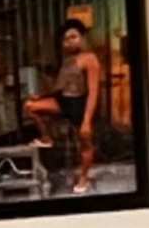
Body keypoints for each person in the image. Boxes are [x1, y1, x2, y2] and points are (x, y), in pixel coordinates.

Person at [23, 12, 110, 192]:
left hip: (79, 105)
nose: (70, 41)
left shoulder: (90, 59)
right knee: (30, 107)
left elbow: (93, 92)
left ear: (82, 38)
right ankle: (46, 138)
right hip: (63, 101)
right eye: (66, 39)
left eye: (73, 37)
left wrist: (86, 120)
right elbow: (59, 87)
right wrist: (39, 97)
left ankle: (84, 178)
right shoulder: (67, 60)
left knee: (85, 142)